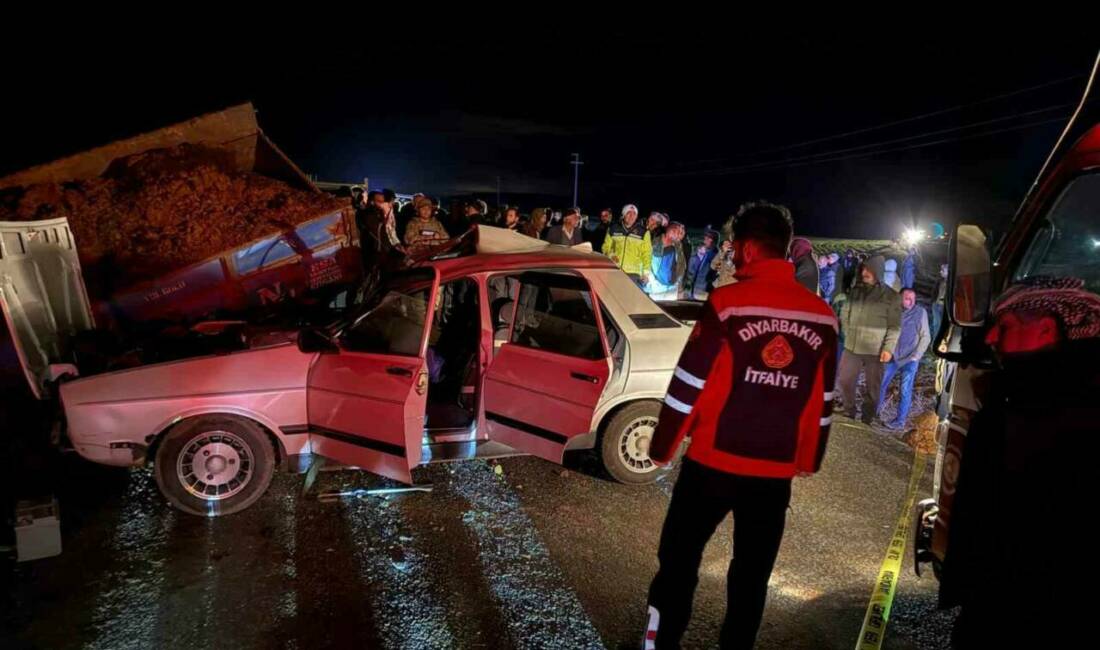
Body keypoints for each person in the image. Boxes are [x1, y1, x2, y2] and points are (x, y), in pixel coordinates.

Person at [642, 201, 837, 650]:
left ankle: (660, 643)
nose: (730, 255)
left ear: (748, 249)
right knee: (751, 579)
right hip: (772, 476)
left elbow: (688, 383)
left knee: (677, 563)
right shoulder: (823, 317)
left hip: (711, 465)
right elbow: (822, 399)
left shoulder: (727, 303)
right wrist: (809, 458)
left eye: (733, 248)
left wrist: (662, 447)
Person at [838, 256, 902, 424]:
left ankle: (867, 417)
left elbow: (895, 326)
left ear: (878, 271)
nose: (865, 273)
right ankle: (849, 410)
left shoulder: (892, 296)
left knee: (873, 388)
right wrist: (847, 331)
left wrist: (888, 348)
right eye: (863, 269)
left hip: (876, 349)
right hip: (852, 346)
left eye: (869, 270)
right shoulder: (856, 291)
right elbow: (845, 313)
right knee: (845, 380)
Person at [878, 288, 931, 429]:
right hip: (892, 355)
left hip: (910, 358)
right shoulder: (893, 311)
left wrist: (917, 355)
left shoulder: (920, 313)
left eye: (913, 298)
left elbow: (925, 336)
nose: (911, 301)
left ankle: (899, 421)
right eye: (907, 298)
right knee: (881, 384)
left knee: (905, 389)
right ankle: (873, 413)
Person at [602, 204, 652, 287]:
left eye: (634, 214)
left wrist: (646, 274)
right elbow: (605, 247)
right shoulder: (612, 228)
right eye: (629, 213)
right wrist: (611, 255)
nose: (631, 216)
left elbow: (647, 254)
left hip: (634, 274)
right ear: (623, 214)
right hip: (615, 271)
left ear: (636, 216)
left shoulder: (643, 232)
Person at [647, 222, 687, 300]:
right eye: (678, 232)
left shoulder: (678, 246)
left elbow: (682, 266)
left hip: (672, 289)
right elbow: (646, 260)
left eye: (681, 233)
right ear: (671, 231)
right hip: (655, 287)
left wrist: (679, 285)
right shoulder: (654, 243)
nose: (680, 236)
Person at [685, 228, 719, 300]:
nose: (705, 238)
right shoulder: (707, 253)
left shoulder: (715, 256)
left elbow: (713, 275)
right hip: (696, 290)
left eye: (707, 237)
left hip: (703, 292)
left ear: (712, 240)